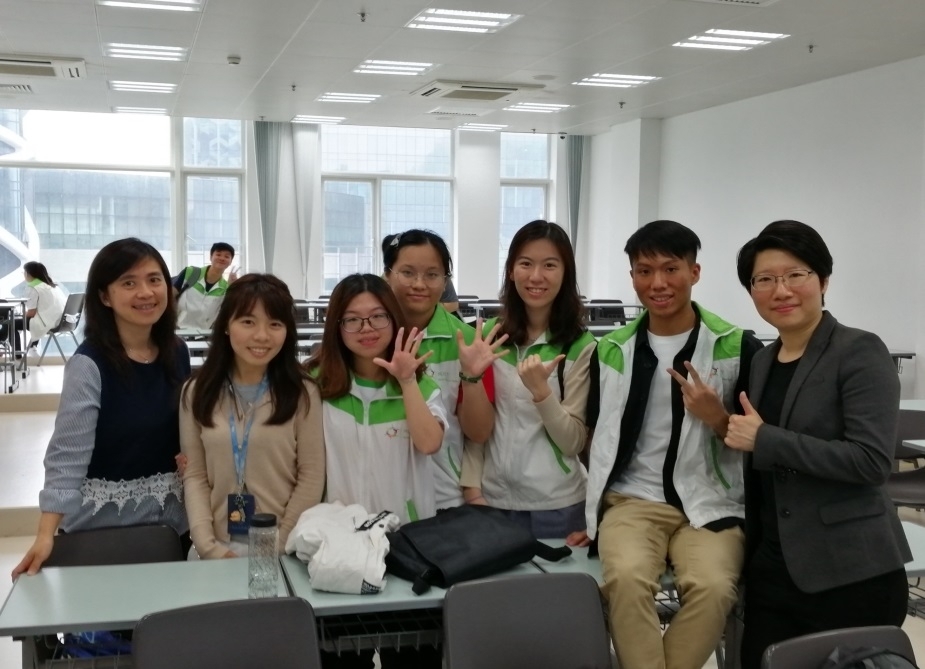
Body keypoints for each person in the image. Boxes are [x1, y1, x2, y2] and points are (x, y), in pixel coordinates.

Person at [578, 220, 762, 669]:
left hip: (711, 502)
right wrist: (592, 511)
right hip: (632, 501)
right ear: (632, 277)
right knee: (625, 579)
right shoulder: (612, 349)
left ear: (694, 272)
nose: (657, 283)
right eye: (644, 271)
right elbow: (596, 435)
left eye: (670, 269)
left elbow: (760, 439)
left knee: (715, 587)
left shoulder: (736, 347)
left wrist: (717, 417)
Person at [727, 220, 911, 669]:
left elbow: (870, 462)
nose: (781, 290)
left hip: (849, 571)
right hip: (774, 567)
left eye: (796, 274)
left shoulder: (859, 350)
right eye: (764, 279)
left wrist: (766, 439)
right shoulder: (763, 360)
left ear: (823, 280)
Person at [12, 238, 190, 578]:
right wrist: (45, 534)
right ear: (105, 297)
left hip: (169, 528)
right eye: (129, 283)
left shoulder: (176, 351)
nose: (146, 292)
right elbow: (68, 455)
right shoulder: (88, 365)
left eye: (154, 279)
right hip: (102, 531)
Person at [306, 273, 446, 669]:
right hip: (339, 547)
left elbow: (429, 443)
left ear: (394, 319)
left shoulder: (420, 384)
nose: (366, 328)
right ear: (337, 326)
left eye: (378, 317)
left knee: (414, 656)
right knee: (341, 657)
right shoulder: (316, 384)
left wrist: (406, 381)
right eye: (352, 319)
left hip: (407, 544)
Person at [460, 219, 595, 539]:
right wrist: (472, 488)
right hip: (492, 502)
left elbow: (574, 442)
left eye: (549, 265)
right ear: (510, 271)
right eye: (525, 264)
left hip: (558, 506)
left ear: (565, 273)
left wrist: (541, 393)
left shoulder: (580, 346)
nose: (536, 276)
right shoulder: (489, 336)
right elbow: (476, 429)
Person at [179, 273, 325, 559]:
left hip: (284, 549)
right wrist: (208, 546)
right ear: (226, 325)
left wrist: (278, 545)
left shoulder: (303, 392)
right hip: (214, 549)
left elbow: (311, 475)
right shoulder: (196, 391)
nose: (262, 335)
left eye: (275, 324)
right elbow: (195, 475)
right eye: (248, 322)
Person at [382, 230, 504, 509]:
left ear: (445, 281)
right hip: (377, 492)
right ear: (387, 274)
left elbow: (479, 433)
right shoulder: (371, 338)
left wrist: (471, 377)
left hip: (442, 494)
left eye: (432, 275)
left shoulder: (467, 341)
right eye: (407, 273)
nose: (419, 284)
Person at [172, 241, 237, 330]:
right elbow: (170, 295)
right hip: (177, 330)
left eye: (227, 256)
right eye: (218, 254)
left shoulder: (225, 287)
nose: (222, 258)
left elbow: (227, 312)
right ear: (211, 257)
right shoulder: (191, 273)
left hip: (203, 334)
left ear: (230, 262)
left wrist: (233, 288)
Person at [23, 261, 67, 351]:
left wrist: (19, 315)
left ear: (29, 274)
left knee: (10, 324)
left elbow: (31, 313)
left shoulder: (33, 287)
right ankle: (32, 347)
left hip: (47, 323)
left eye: (24, 272)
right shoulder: (53, 286)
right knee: (34, 317)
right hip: (61, 321)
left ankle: (18, 356)